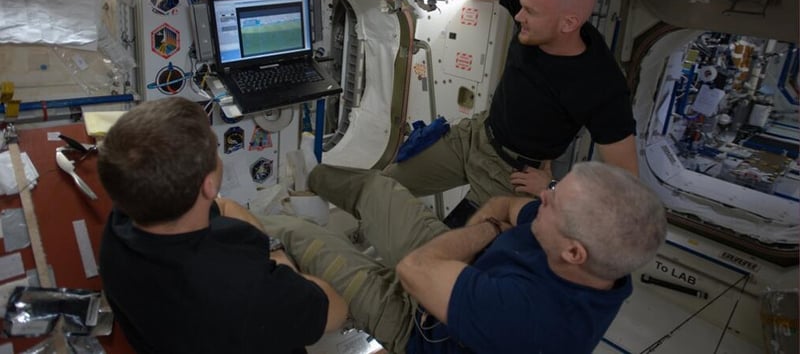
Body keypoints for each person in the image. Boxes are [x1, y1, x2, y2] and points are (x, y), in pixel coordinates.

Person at [263, 161, 666, 353]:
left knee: (296, 234)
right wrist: (476, 238)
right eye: (555, 188)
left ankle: (236, 224)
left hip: (417, 324)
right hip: (456, 272)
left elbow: (413, 270)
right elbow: (506, 204)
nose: (543, 194)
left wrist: (487, 232)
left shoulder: (531, 319)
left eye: (553, 203)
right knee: (376, 189)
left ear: (574, 252)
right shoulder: (587, 252)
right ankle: (305, 176)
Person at [384, 0, 638, 204]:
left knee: (449, 249)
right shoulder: (534, 9)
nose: (518, 17)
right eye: (522, 6)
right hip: (477, 135)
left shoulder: (602, 86)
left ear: (568, 23)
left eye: (529, 12)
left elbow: (626, 181)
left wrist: (553, 187)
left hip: (514, 175)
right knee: (384, 188)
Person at [97, 97, 348, 354]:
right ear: (207, 185)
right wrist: (275, 252)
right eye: (215, 150)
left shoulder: (120, 228)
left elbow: (224, 205)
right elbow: (336, 311)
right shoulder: (248, 290)